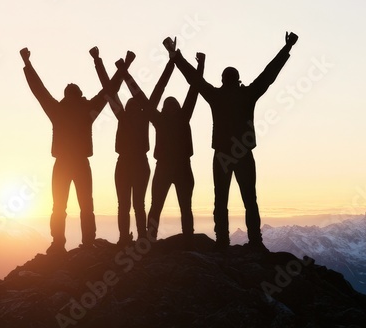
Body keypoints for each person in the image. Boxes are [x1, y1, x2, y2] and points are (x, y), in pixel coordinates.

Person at [164, 32, 298, 251]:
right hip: (243, 153)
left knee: (221, 200)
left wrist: (174, 54)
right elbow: (269, 75)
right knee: (249, 200)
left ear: (223, 80)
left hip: (222, 155)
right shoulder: (247, 94)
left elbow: (193, 79)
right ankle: (255, 241)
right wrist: (287, 48)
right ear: (238, 80)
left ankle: (222, 241)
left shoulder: (216, 96)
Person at [20, 47, 129, 254]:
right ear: (79, 95)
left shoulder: (58, 110)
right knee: (84, 206)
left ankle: (59, 243)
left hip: (63, 164)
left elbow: (39, 90)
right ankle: (86, 242)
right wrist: (105, 63)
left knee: (61, 206)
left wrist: (27, 63)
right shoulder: (87, 111)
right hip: (79, 163)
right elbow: (109, 91)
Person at [90, 48, 165, 245]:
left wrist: (120, 67)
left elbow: (110, 90)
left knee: (129, 204)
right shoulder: (131, 116)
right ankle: (132, 237)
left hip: (133, 163)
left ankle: (134, 237)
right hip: (131, 163)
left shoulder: (128, 116)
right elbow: (109, 90)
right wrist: (103, 63)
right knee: (131, 204)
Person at [128, 46, 200, 249]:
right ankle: (186, 241)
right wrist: (194, 65)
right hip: (178, 167)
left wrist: (125, 73)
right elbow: (193, 90)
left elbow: (143, 97)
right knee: (181, 207)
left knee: (162, 206)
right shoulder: (180, 118)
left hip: (169, 167)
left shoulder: (161, 119)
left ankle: (151, 240)